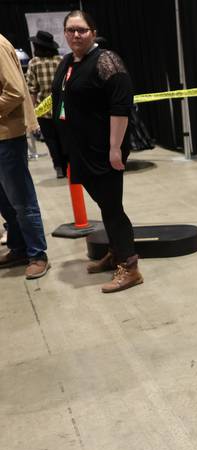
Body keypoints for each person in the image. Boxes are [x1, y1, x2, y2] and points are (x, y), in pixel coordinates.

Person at [51, 10, 142, 293]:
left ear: (93, 31)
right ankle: (116, 252)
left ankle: (130, 267)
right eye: (70, 30)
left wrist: (115, 149)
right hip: (81, 149)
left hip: (105, 151)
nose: (75, 35)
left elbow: (120, 108)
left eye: (81, 30)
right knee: (105, 205)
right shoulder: (68, 61)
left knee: (113, 209)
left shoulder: (106, 61)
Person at [0, 32, 50, 279]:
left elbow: (15, 91)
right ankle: (19, 248)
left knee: (21, 200)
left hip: (7, 136)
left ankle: (37, 254)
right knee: (5, 201)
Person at [26, 30, 66, 179]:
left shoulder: (34, 63)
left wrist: (33, 112)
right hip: (63, 108)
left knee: (51, 140)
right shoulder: (61, 60)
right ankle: (68, 165)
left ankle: (59, 167)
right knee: (64, 137)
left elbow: (32, 89)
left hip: (43, 110)